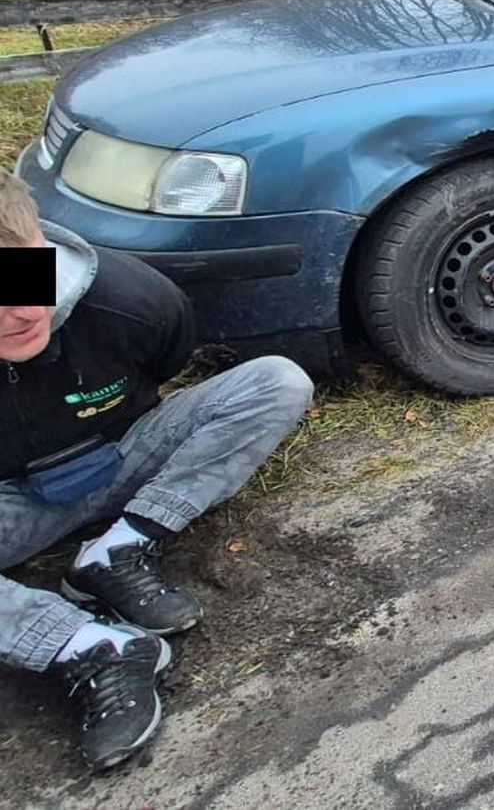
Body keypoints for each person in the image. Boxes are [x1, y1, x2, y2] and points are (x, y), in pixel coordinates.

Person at [0, 170, 314, 771]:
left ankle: (122, 548)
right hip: (16, 502)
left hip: (124, 456)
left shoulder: (132, 300)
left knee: (277, 379)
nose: (24, 311)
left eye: (28, 275)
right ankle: (94, 648)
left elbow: (166, 364)